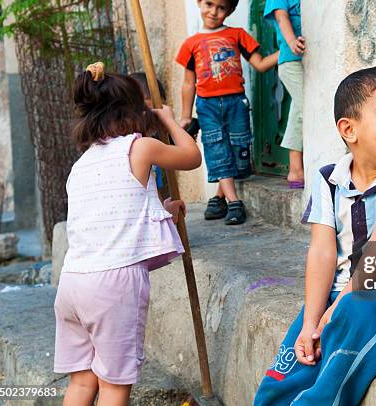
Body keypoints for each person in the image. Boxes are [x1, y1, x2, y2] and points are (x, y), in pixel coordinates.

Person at [254, 67, 376, 405]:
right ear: (349, 129)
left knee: (350, 319)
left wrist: (335, 310)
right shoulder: (327, 178)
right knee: (300, 349)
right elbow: (322, 252)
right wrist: (311, 320)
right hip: (341, 293)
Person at [53, 62, 201, 406]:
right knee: (114, 386)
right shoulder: (140, 147)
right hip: (113, 286)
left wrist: (163, 212)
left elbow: (113, 220)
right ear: (136, 112)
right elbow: (191, 156)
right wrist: (167, 119)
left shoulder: (81, 166)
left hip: (73, 283)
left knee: (82, 383)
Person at [176, 0, 279, 225]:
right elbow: (188, 83)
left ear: (230, 10)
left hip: (235, 102)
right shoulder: (190, 43)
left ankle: (218, 197)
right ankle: (234, 201)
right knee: (216, 146)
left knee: (238, 147)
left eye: (221, 7)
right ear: (199, 3)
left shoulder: (237, 35)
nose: (213, 12)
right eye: (209, 4)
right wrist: (185, 116)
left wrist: (287, 52)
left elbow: (260, 64)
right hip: (207, 105)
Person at [264, 0, 305, 188]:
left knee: (299, 109)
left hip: (305, 59)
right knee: (306, 107)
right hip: (290, 61)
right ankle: (296, 169)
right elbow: (281, 16)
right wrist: (291, 42)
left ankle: (295, 169)